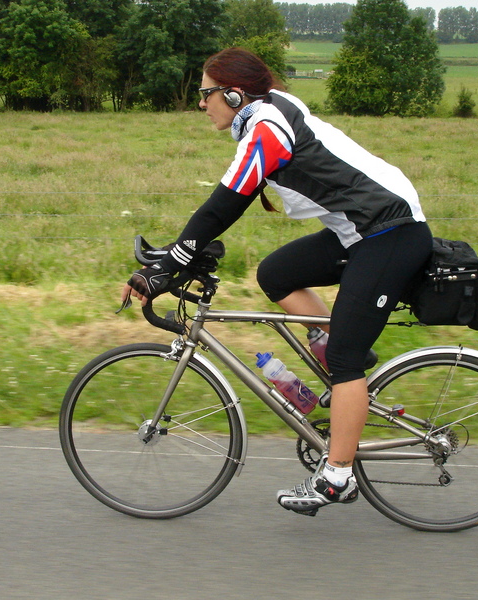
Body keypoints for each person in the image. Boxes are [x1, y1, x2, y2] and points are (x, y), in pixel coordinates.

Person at [121, 47, 432, 516]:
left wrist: (171, 265)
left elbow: (226, 203)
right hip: (360, 231)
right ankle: (338, 360)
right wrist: (175, 255)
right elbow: (221, 209)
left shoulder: (268, 126)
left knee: (346, 360)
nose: (201, 103)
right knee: (276, 274)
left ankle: (338, 476)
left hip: (391, 233)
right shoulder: (265, 118)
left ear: (233, 94)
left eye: (206, 93)